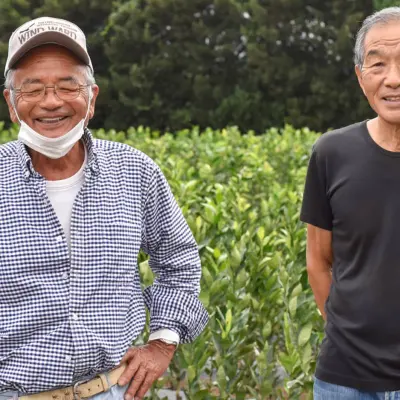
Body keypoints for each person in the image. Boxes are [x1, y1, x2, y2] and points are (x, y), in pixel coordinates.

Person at [0, 17, 208, 400]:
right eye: (32, 89)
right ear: (12, 104)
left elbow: (178, 260)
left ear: (91, 98)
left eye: (68, 86)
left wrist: (163, 342)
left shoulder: (134, 170)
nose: (51, 101)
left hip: (113, 390)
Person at [300, 6, 400, 400]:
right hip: (344, 379)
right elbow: (318, 261)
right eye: (378, 65)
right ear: (361, 78)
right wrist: (347, 336)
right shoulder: (331, 152)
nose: (394, 79)